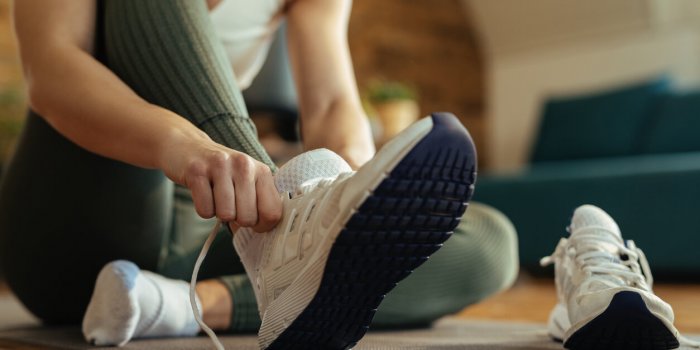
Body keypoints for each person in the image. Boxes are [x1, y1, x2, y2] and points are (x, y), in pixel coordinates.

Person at [0, 0, 518, 348]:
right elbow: (51, 68)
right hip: (76, 225)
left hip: (208, 224)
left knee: (490, 240)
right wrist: (186, 146)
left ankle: (197, 303)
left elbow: (333, 101)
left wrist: (355, 195)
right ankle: (273, 246)